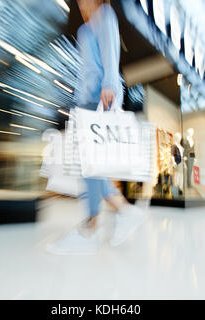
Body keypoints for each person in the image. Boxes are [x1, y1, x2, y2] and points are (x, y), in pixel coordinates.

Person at [47, 0, 146, 255]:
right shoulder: (83, 30)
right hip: (85, 103)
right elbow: (85, 72)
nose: (81, 4)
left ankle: (91, 227)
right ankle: (123, 211)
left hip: (102, 100)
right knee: (90, 166)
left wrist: (110, 86)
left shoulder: (105, 16)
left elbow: (110, 55)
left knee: (89, 167)